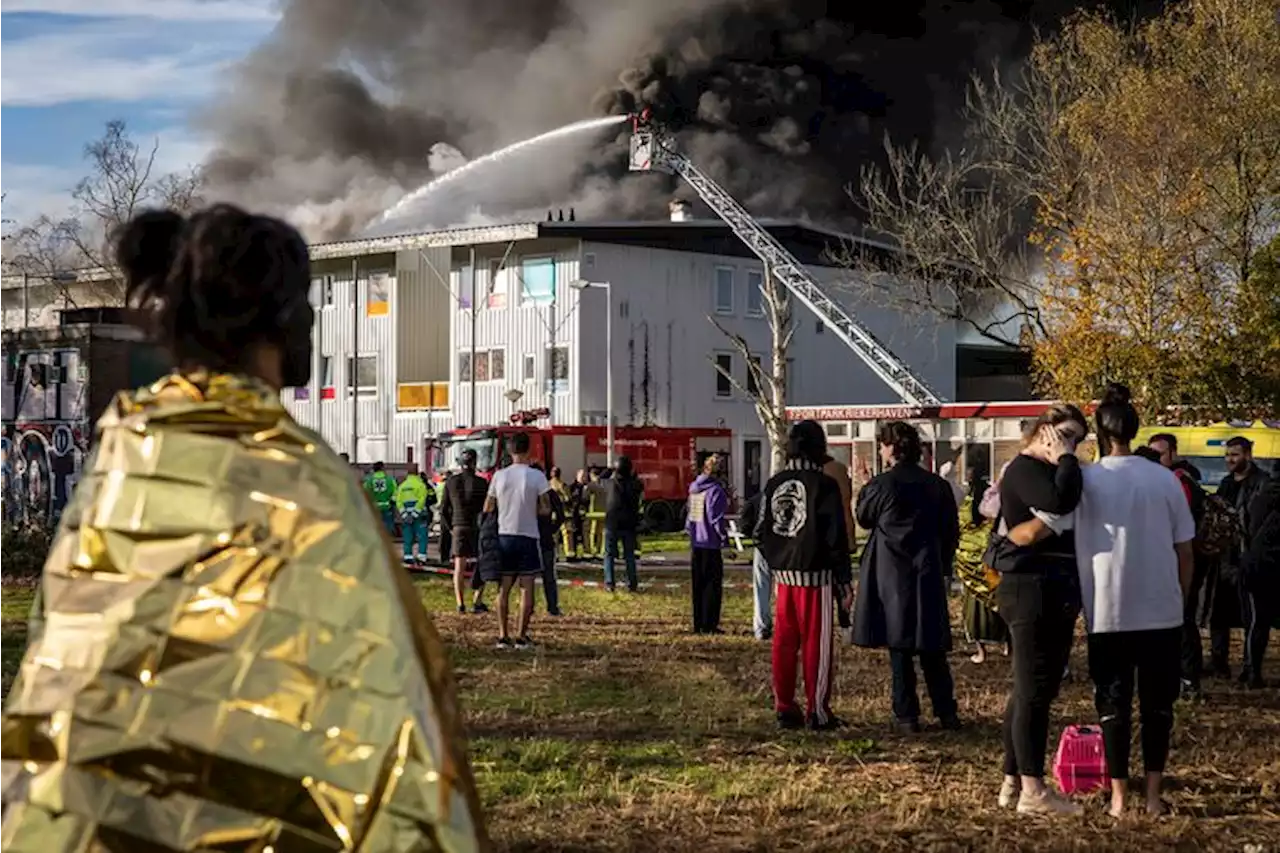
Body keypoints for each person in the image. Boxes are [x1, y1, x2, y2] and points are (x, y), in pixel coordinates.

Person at [0, 203, 488, 849]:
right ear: (277, 318)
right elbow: (376, 697)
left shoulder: (118, 457)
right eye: (307, 300)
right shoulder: (306, 480)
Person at [1016, 385, 1195, 817]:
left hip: (1109, 610)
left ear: (1096, 433)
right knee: (1157, 708)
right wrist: (1182, 599)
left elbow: (1039, 529)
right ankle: (1152, 798)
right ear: (1136, 430)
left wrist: (1010, 534)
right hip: (1163, 611)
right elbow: (1185, 549)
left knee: (1113, 706)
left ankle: (1118, 800)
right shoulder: (1167, 480)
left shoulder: (1088, 481)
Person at [991, 403, 1089, 816]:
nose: (1071, 447)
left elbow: (1065, 504)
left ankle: (1013, 778)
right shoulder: (1024, 468)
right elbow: (1061, 499)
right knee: (1032, 688)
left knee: (1039, 688)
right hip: (1028, 587)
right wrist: (1066, 458)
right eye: (1065, 435)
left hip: (1055, 588)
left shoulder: (1057, 468)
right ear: (1044, 430)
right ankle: (1033, 789)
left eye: (1078, 441)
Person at [852, 421, 962, 734]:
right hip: (927, 567)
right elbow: (950, 531)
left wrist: (865, 485)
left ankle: (906, 713)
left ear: (891, 448)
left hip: (891, 571)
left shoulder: (882, 485)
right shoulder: (936, 486)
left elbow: (864, 517)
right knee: (932, 647)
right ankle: (946, 711)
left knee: (898, 645)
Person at [756, 421, 852, 730]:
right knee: (817, 644)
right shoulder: (824, 485)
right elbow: (835, 537)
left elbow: (759, 530)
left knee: (784, 642)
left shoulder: (774, 483)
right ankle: (818, 711)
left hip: (784, 577)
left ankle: (784, 706)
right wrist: (843, 580)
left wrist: (777, 558)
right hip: (816, 576)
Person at [1147, 433, 1210, 699]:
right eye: (1153, 454)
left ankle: (1189, 677)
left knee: (1183, 617)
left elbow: (1176, 523)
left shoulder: (1179, 481)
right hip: (1175, 557)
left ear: (1173, 453)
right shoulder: (1171, 479)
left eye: (1160, 454)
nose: (1157, 460)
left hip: (1185, 558)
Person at [483, 432, 551, 648]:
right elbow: (546, 508)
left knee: (503, 589)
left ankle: (503, 636)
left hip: (504, 535)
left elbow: (488, 507)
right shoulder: (537, 477)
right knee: (526, 589)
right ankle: (521, 636)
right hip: (528, 536)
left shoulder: (499, 476)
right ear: (528, 450)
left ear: (510, 451)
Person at [1210, 436, 1267, 680]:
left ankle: (1251, 669)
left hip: (1250, 558)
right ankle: (1218, 663)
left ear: (1248, 455)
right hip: (1225, 557)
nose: (1230, 460)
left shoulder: (1262, 483)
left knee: (1253, 617)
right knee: (1218, 613)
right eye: (1227, 455)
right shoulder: (1225, 483)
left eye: (1235, 454)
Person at [1241, 470, 1280, 689]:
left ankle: (1252, 670)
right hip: (1266, 564)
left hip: (1257, 564)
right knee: (1258, 621)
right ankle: (1252, 671)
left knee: (1257, 621)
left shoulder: (1261, 494)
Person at [686, 453, 730, 634]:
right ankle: (710, 624)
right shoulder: (716, 491)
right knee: (712, 587)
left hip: (696, 543)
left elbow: (690, 517)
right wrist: (724, 540)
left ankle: (698, 623)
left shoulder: (694, 488)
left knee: (698, 586)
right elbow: (716, 519)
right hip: (711, 544)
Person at [442, 449, 490, 614]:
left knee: (459, 567)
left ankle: (460, 603)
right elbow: (487, 509)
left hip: (458, 526)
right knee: (481, 564)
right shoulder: (482, 483)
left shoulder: (451, 482)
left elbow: (443, 510)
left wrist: (451, 528)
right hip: (476, 527)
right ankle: (477, 600)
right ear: (475, 463)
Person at [602, 455, 644, 592]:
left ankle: (609, 583)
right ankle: (632, 583)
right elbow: (639, 484)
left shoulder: (609, 484)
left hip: (611, 524)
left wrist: (609, 469)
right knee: (629, 555)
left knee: (609, 554)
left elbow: (599, 478)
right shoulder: (635, 485)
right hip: (629, 524)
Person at [531, 463, 566, 616]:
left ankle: (528, 607)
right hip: (545, 537)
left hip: (530, 537)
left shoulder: (528, 495)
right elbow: (561, 516)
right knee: (549, 576)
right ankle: (552, 606)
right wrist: (552, 529)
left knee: (528, 576)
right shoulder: (550, 494)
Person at [740, 490, 772, 641]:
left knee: (761, 587)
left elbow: (744, 525)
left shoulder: (756, 499)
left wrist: (752, 535)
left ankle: (761, 626)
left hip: (762, 546)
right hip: (786, 548)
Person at [395, 463, 434, 565]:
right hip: (419, 515)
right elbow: (422, 500)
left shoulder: (402, 486)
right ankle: (421, 558)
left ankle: (408, 557)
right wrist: (414, 514)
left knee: (408, 537)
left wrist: (405, 515)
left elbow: (398, 501)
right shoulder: (421, 485)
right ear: (417, 473)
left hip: (406, 515)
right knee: (422, 537)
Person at [364, 460, 398, 536]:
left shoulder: (369, 480)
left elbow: (364, 492)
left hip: (374, 507)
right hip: (387, 506)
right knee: (388, 526)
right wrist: (392, 501)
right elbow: (395, 492)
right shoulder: (390, 480)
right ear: (383, 468)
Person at [566, 469, 588, 560]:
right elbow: (569, 500)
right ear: (577, 476)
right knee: (573, 534)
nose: (584, 478)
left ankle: (585, 554)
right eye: (582, 476)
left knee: (584, 535)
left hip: (584, 515)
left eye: (585, 476)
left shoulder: (587, 487)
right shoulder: (572, 487)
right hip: (574, 515)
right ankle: (572, 553)